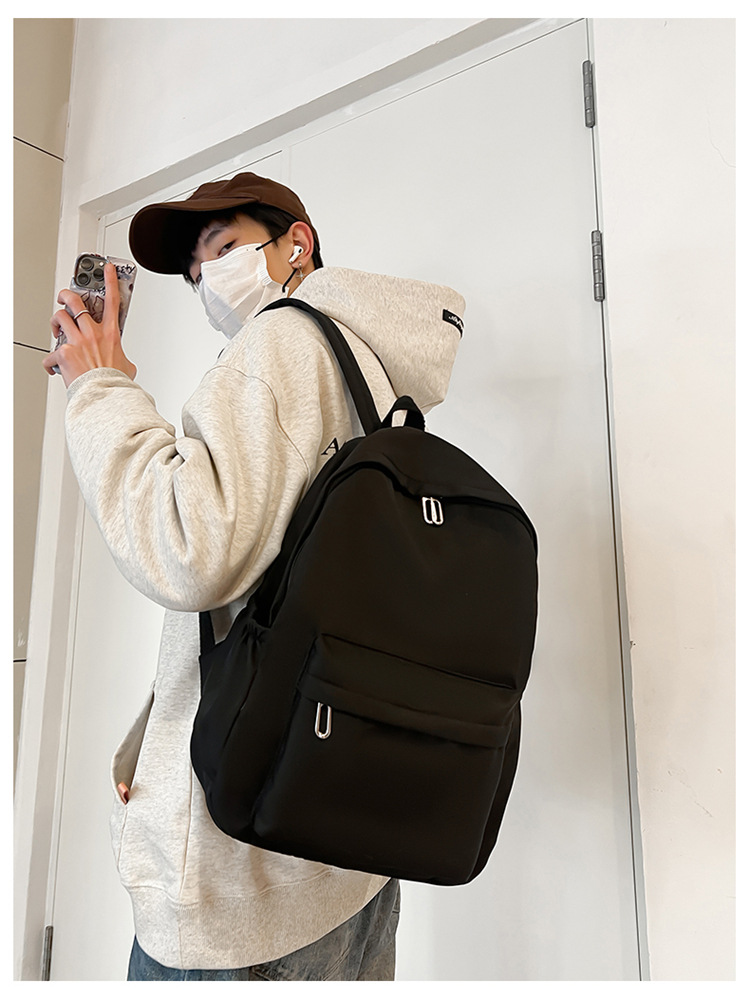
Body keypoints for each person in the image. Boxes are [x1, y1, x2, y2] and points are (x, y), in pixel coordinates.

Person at [44, 172, 465, 981]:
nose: (206, 277)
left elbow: (188, 548)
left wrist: (99, 387)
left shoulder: (278, 345)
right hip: (349, 857)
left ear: (296, 243)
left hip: (245, 889)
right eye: (193, 271)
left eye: (223, 246)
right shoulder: (371, 373)